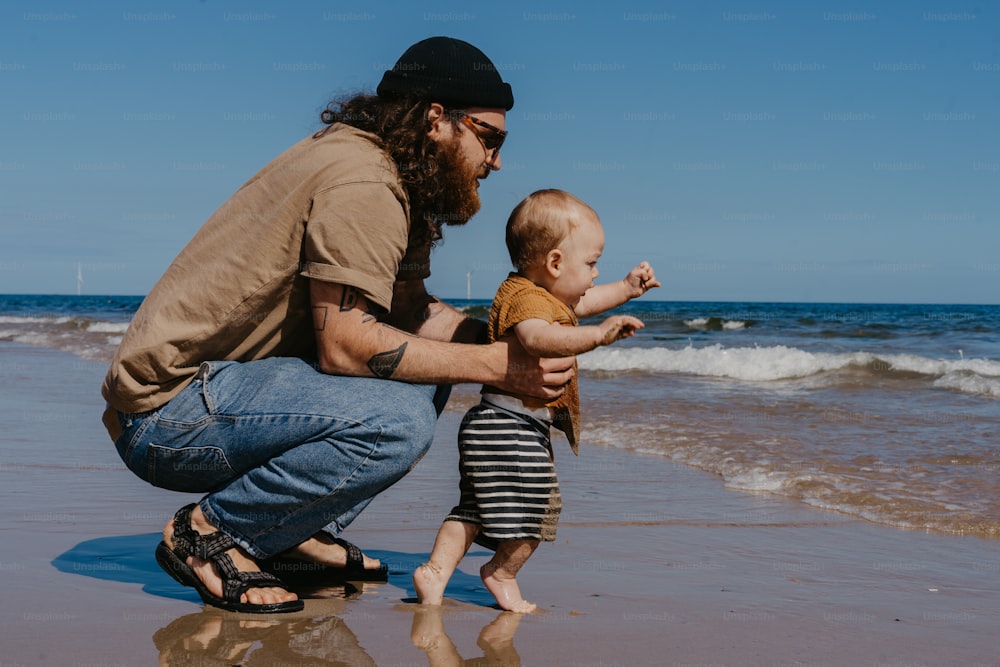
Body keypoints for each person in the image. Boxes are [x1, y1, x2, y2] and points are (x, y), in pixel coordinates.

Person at [100, 37, 575, 614]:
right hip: (165, 418)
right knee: (396, 421)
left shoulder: (392, 174)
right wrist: (501, 367)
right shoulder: (365, 183)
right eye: (489, 137)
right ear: (435, 120)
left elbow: (412, 311)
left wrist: (508, 341)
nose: (496, 161)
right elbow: (345, 347)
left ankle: (293, 531)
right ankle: (209, 533)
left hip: (210, 394)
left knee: (430, 368)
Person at [413, 189, 660, 612]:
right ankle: (501, 572)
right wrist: (598, 336)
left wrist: (626, 288)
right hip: (510, 426)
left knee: (473, 507)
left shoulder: (544, 295)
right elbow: (539, 337)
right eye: (592, 263)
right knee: (541, 507)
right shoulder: (527, 301)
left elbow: (583, 303)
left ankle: (435, 571)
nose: (595, 274)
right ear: (555, 263)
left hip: (496, 423)